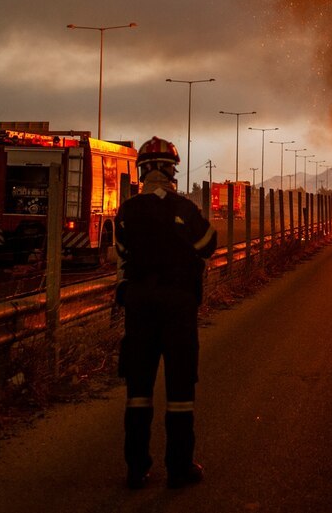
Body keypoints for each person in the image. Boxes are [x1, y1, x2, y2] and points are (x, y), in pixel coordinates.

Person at [115, 136, 217, 490]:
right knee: (180, 391)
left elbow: (121, 252)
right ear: (173, 170)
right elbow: (208, 246)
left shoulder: (127, 210)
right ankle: (179, 468)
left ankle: (136, 468)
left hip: (140, 305)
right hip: (178, 306)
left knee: (139, 390)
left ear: (142, 170)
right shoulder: (186, 209)